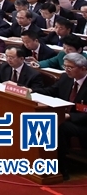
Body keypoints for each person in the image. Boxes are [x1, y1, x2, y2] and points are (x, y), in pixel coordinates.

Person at [34, 53, 87, 181]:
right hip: (65, 117)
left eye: (70, 67)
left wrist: (70, 116)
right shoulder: (65, 78)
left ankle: (62, 169)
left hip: (82, 123)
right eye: (65, 66)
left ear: (83, 69)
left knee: (59, 127)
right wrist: (31, 90)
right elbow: (51, 91)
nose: (66, 69)